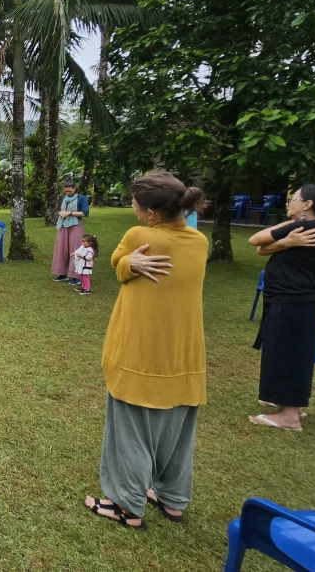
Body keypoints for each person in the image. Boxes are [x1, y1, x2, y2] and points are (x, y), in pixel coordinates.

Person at [84, 171, 207, 531]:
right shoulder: (199, 241)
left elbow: (116, 263)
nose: (132, 208)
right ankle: (172, 498)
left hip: (141, 352)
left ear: (150, 213)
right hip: (183, 354)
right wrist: (129, 265)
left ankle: (126, 505)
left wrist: (128, 263)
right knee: (177, 431)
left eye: (135, 203)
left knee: (130, 431)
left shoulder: (139, 235)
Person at [246, 184, 315, 431]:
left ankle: (289, 416)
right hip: (299, 302)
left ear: (308, 204)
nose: (289, 203)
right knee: (293, 354)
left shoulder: (307, 227)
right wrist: (287, 242)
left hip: (294, 301)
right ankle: (292, 405)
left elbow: (255, 240)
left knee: (288, 354)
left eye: (294, 199)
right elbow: (261, 250)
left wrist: (287, 236)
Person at [52, 180, 90, 285]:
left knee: (76, 248)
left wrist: (70, 213)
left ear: (75, 188)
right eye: (66, 191)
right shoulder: (65, 198)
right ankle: (62, 273)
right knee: (62, 248)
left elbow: (85, 213)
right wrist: (61, 213)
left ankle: (76, 276)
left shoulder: (81, 198)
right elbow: (62, 210)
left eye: (69, 191)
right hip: (64, 225)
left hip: (75, 225)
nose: (67, 193)